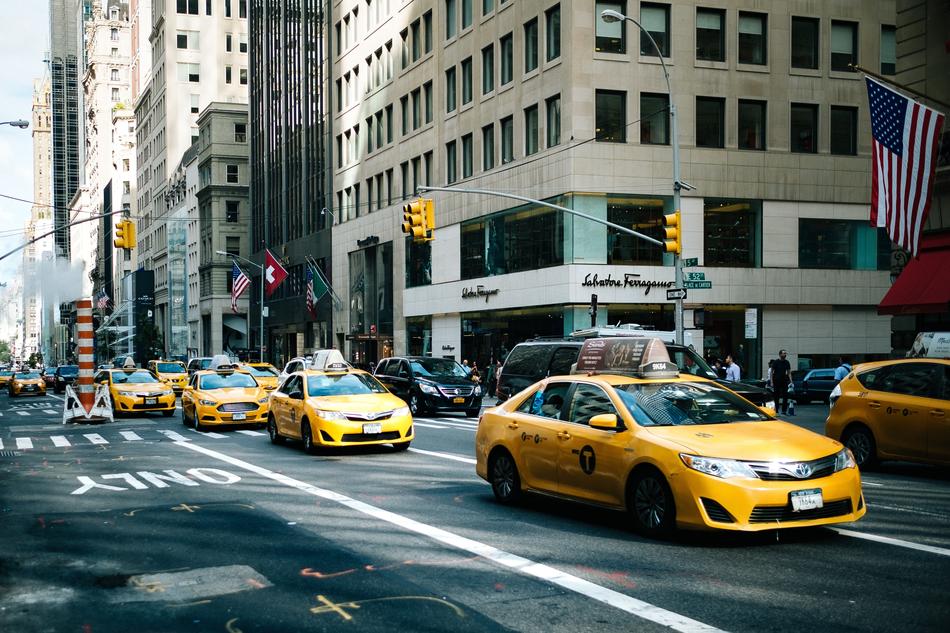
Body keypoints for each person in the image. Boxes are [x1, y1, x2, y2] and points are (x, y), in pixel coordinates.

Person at [771, 349, 792, 415]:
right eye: (783, 353)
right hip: (776, 381)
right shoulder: (776, 362)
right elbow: (771, 372)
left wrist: (791, 381)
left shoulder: (787, 362)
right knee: (776, 396)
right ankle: (776, 410)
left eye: (785, 353)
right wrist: (771, 382)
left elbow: (789, 372)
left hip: (784, 381)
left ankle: (784, 411)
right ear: (780, 354)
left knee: (785, 396)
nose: (785, 354)